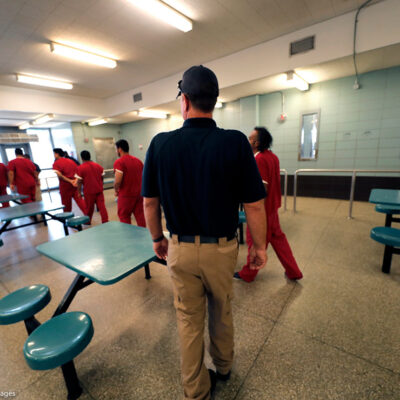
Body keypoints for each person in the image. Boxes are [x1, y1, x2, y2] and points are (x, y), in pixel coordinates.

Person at [142, 65, 267, 400]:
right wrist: (260, 247)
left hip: (180, 249)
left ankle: (195, 390)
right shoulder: (236, 142)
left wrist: (157, 239)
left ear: (184, 101)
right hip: (222, 249)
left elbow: (150, 204)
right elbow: (254, 205)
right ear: (214, 101)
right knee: (222, 310)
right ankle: (224, 368)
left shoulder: (160, 144)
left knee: (188, 319)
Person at [235, 127, 303, 282]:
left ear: (256, 143)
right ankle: (294, 271)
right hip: (273, 208)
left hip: (264, 211)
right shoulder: (272, 156)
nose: (248, 140)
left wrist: (257, 212)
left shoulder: (259, 160)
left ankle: (248, 274)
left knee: (255, 240)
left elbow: (262, 188)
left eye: (250, 138)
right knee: (279, 241)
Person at [113, 139, 145, 226]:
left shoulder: (119, 162)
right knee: (141, 216)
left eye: (116, 149)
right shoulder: (138, 161)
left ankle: (128, 237)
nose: (116, 151)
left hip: (126, 195)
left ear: (119, 149)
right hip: (139, 194)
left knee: (124, 216)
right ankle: (144, 236)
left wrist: (116, 190)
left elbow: (118, 181)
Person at [75, 150, 109, 224]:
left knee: (89, 208)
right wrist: (100, 185)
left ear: (82, 158)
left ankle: (87, 221)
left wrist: (78, 192)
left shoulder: (80, 168)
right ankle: (105, 221)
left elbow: (79, 182)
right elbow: (102, 177)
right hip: (99, 190)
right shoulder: (98, 166)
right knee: (102, 207)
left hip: (89, 191)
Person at [53, 148, 86, 213]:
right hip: (75, 184)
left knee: (66, 204)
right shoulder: (71, 161)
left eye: (54, 153)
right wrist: (75, 180)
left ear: (57, 154)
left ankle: (68, 218)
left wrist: (70, 181)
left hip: (65, 185)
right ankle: (88, 215)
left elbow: (59, 176)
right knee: (80, 200)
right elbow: (78, 172)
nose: (54, 155)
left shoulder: (56, 163)